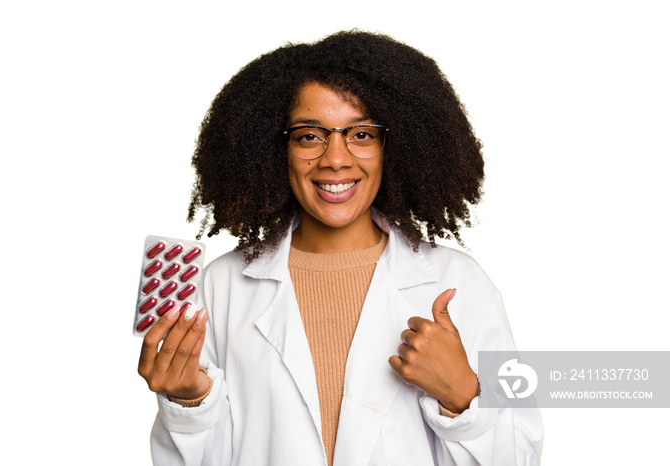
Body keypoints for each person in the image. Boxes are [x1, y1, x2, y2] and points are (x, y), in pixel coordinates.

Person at [137, 30, 543, 465]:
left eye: (362, 135)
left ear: (395, 146)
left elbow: (522, 456)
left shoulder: (462, 284)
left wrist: (463, 398)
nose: (335, 158)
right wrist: (189, 405)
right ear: (278, 149)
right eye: (310, 135)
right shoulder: (220, 287)